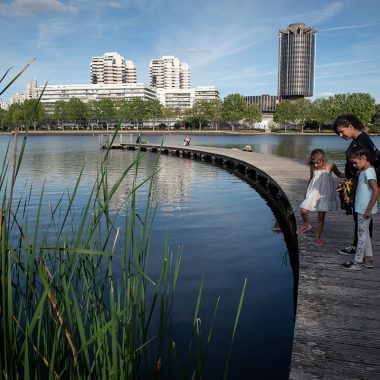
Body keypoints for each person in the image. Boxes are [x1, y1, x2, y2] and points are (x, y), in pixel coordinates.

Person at [333, 114, 379, 255]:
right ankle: (360, 245)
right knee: (359, 217)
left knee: (362, 217)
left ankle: (360, 247)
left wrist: (353, 182)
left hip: (363, 187)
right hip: (358, 184)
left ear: (351, 126)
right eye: (339, 133)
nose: (341, 135)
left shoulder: (362, 141)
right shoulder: (360, 139)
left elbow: (366, 166)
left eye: (342, 131)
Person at [340, 145, 379, 270]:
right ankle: (368, 259)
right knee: (365, 234)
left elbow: (376, 191)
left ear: (363, 158)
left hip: (364, 210)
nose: (354, 166)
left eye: (355, 163)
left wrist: (368, 209)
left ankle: (357, 263)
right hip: (362, 208)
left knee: (361, 236)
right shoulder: (366, 171)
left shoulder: (369, 172)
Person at [296, 149, 345, 245]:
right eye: (314, 163)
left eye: (317, 163)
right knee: (304, 210)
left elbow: (339, 175)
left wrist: (352, 174)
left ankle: (317, 237)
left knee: (321, 216)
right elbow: (311, 178)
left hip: (325, 193)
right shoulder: (313, 166)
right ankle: (306, 224)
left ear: (323, 159)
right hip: (314, 191)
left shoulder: (331, 166)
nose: (315, 165)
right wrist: (306, 191)